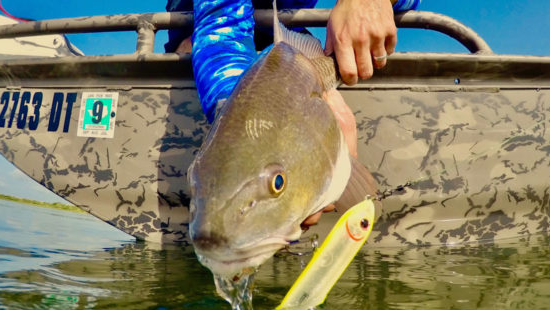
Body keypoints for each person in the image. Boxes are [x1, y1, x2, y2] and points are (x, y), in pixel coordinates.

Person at [165, 0, 420, 225]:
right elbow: (222, 25)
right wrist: (240, 120)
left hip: (290, 36)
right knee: (191, 47)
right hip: (208, 25)